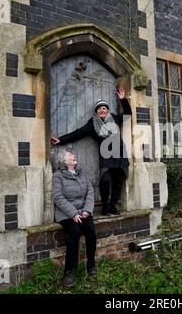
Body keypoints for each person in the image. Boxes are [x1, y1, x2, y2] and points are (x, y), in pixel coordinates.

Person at [51, 87, 132, 216]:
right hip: (106, 156)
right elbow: (78, 133)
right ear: (96, 111)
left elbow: (128, 114)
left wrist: (123, 100)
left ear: (107, 110)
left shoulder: (115, 119)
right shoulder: (92, 124)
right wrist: (60, 140)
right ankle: (105, 205)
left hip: (121, 155)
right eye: (99, 109)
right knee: (105, 181)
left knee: (118, 182)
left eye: (104, 108)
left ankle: (113, 206)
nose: (102, 110)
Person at [52, 149, 97, 288]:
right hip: (66, 212)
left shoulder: (81, 172)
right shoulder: (58, 176)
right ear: (63, 161)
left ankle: (91, 264)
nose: (74, 156)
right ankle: (69, 272)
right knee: (74, 232)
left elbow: (90, 191)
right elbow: (58, 197)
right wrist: (73, 213)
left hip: (83, 211)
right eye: (70, 155)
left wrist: (87, 210)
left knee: (90, 230)